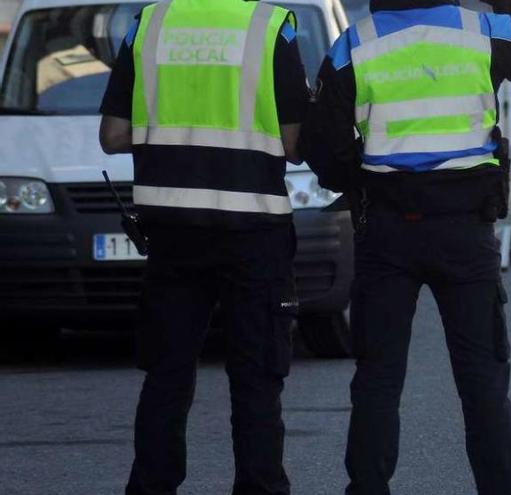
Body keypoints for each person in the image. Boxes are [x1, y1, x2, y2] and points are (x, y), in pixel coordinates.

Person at [304, 0, 511, 492]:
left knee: (378, 379)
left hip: (386, 231)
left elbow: (320, 145)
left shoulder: (354, 44)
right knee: (482, 380)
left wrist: (358, 183)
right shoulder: (481, 31)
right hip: (464, 231)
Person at [98, 0, 310, 493]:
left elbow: (112, 136)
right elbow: (296, 142)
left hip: (171, 230)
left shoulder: (148, 23)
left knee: (166, 374)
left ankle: (152, 486)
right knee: (256, 378)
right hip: (254, 230)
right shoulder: (270, 25)